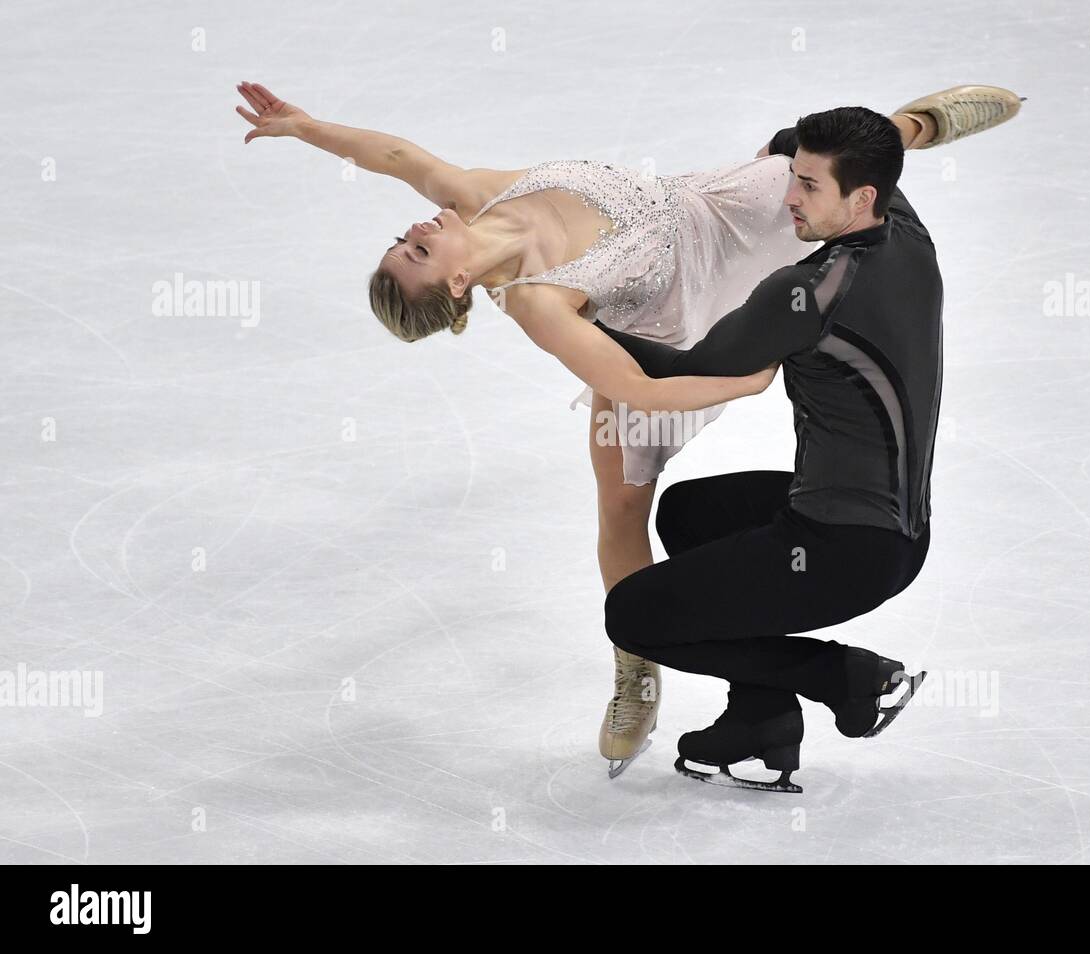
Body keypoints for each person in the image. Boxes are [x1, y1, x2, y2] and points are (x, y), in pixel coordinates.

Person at [233, 83, 1020, 777]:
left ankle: (918, 126)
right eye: (415, 250)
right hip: (670, 332)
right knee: (621, 506)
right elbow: (638, 382)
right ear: (458, 280)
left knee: (811, 156)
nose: (413, 228)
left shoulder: (474, 197)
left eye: (404, 241)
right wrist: (746, 378)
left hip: (707, 209)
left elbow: (397, 153)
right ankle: (636, 674)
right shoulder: (539, 301)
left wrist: (304, 128)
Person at [600, 103, 956, 792]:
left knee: (635, 615)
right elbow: (821, 144)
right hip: (892, 531)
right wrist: (788, 148)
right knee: (691, 514)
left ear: (862, 197)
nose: (788, 196)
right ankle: (760, 717)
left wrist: (574, 314)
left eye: (808, 186)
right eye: (792, 177)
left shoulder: (808, 291)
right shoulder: (908, 235)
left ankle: (843, 677)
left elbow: (675, 374)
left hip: (841, 550)